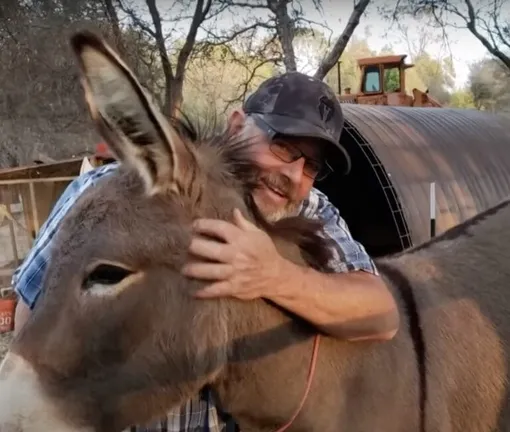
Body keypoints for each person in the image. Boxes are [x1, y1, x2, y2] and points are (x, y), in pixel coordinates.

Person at [11, 72, 399, 431]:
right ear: (236, 125)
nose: (295, 176)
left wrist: (275, 276)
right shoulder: (106, 195)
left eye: (312, 165)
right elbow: (32, 304)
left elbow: (380, 314)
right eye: (282, 146)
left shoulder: (308, 208)